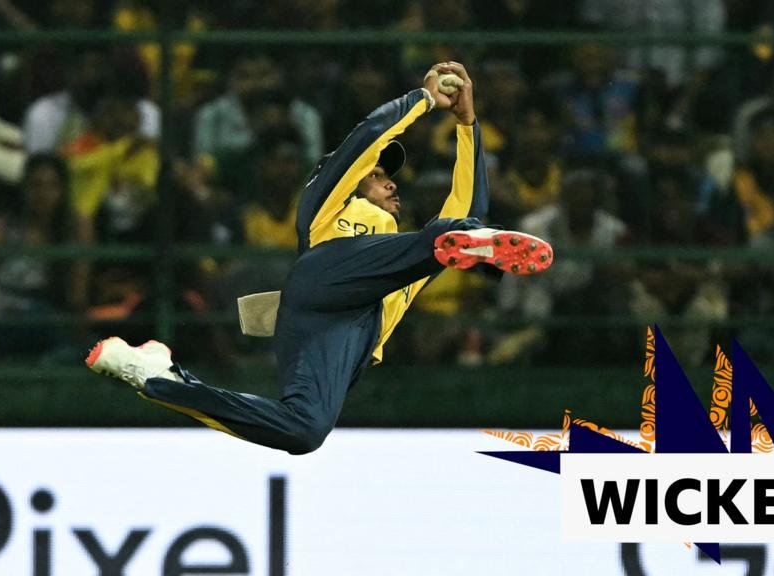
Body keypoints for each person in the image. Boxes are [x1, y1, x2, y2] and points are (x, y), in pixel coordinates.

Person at [86, 62, 553, 455]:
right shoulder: (326, 207)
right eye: (377, 175)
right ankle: (453, 241)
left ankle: (161, 378)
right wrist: (423, 100)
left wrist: (468, 126)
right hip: (325, 281)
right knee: (441, 238)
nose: (391, 182)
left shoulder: (407, 255)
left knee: (304, 432)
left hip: (348, 335)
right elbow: (365, 139)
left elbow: (469, 214)